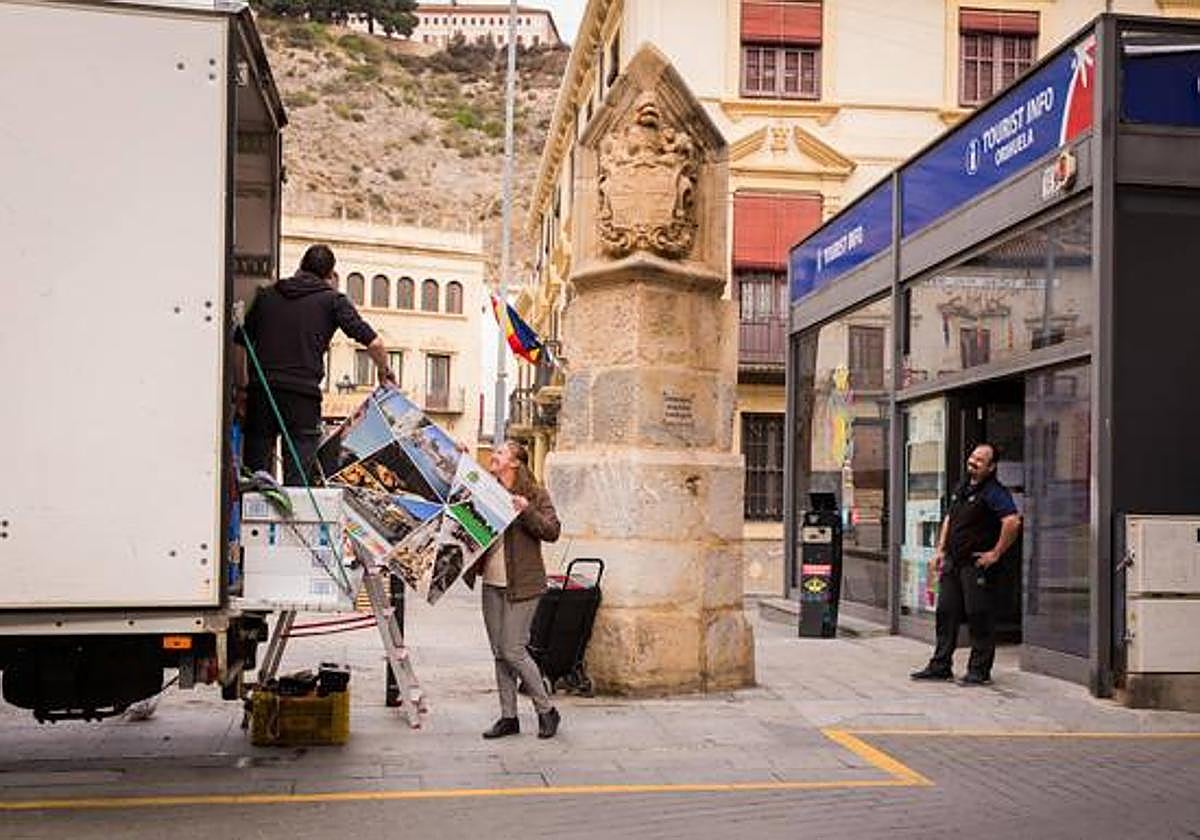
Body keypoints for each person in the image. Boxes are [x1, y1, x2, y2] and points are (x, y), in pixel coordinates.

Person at [236, 244, 394, 485]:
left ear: (300, 267)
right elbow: (374, 343)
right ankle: (292, 522)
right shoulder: (332, 300)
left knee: (253, 478)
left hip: (262, 395)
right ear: (330, 276)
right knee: (298, 481)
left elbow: (241, 342)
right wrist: (385, 372)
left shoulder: (266, 296)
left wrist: (242, 389)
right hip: (302, 399)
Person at [463, 440, 562, 739]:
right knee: (499, 652)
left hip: (524, 584)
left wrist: (527, 510)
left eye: (501, 452)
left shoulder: (534, 493)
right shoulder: (487, 491)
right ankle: (509, 717)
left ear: (516, 462)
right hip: (491, 583)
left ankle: (546, 710)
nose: (494, 456)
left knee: (513, 650)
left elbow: (553, 531)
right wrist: (461, 460)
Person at [911, 442, 1021, 686]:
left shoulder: (994, 491)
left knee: (978, 614)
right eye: (973, 457)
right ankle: (940, 665)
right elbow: (950, 518)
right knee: (946, 613)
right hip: (953, 561)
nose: (973, 462)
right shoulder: (961, 487)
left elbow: (1012, 522)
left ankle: (979, 670)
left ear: (991, 467)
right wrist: (940, 550)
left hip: (976, 564)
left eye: (980, 460)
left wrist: (996, 552)